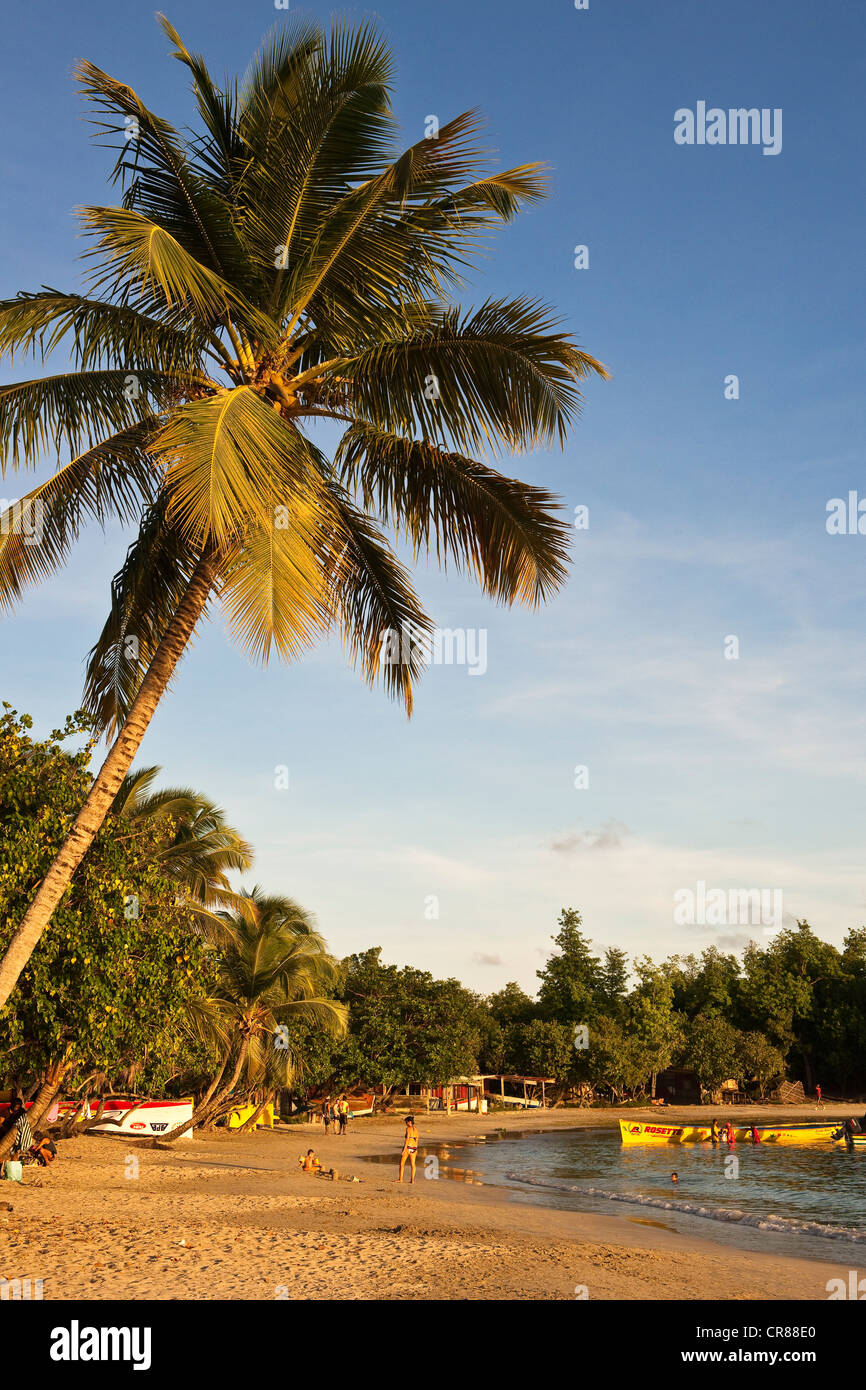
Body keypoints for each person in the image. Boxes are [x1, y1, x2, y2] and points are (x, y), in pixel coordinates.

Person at [399, 1116, 419, 1184]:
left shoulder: (408, 1129)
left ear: (409, 1122)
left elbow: (407, 1139)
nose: (406, 1123)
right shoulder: (416, 1129)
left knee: (402, 1164)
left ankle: (400, 1179)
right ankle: (412, 1180)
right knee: (413, 1165)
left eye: (406, 1122)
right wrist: (416, 1148)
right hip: (414, 1148)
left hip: (408, 1147)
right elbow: (417, 1139)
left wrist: (404, 1150)